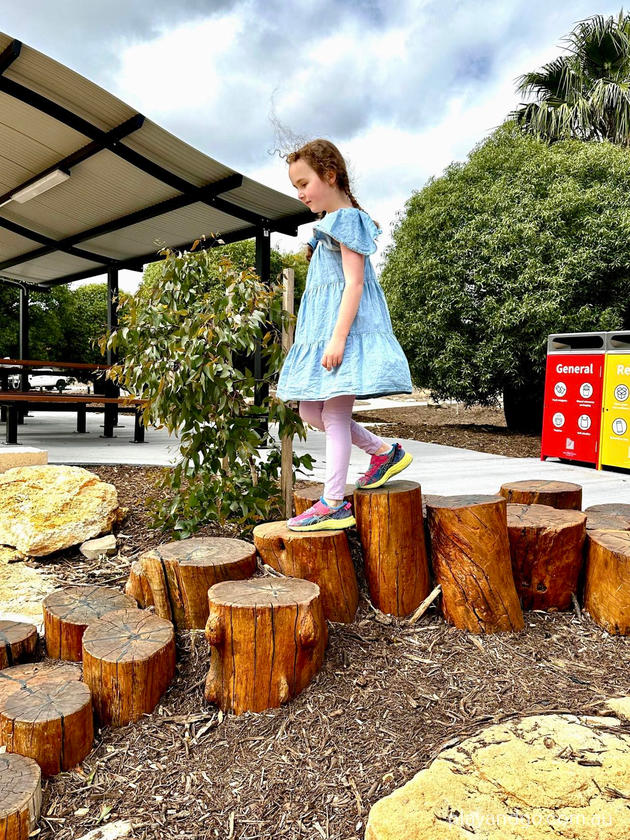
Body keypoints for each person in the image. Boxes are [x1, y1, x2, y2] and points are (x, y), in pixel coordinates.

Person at [276, 139, 413, 532]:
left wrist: (337, 340)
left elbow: (354, 285)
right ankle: (385, 451)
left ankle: (333, 502)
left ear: (329, 175)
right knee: (308, 410)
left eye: (304, 183)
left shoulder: (347, 220)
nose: (300, 194)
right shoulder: (329, 226)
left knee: (334, 413)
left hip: (343, 336)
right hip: (326, 336)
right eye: (296, 187)